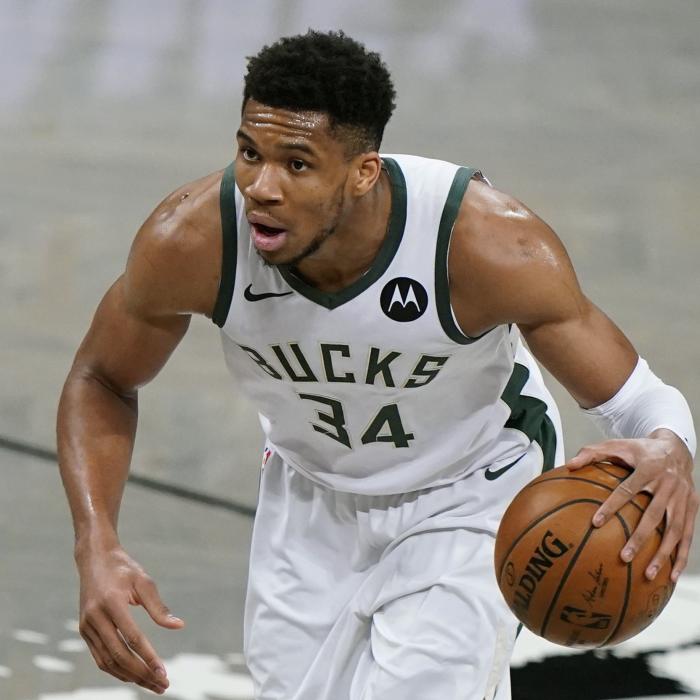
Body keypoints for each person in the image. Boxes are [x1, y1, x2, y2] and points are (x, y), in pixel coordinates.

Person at [57, 30, 697, 700]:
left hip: (467, 489)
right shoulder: (193, 241)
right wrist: (96, 544)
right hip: (310, 491)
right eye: (249, 153)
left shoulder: (483, 244)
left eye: (297, 164)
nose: (261, 188)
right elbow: (101, 377)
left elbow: (636, 399)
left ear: (363, 172)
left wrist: (670, 446)